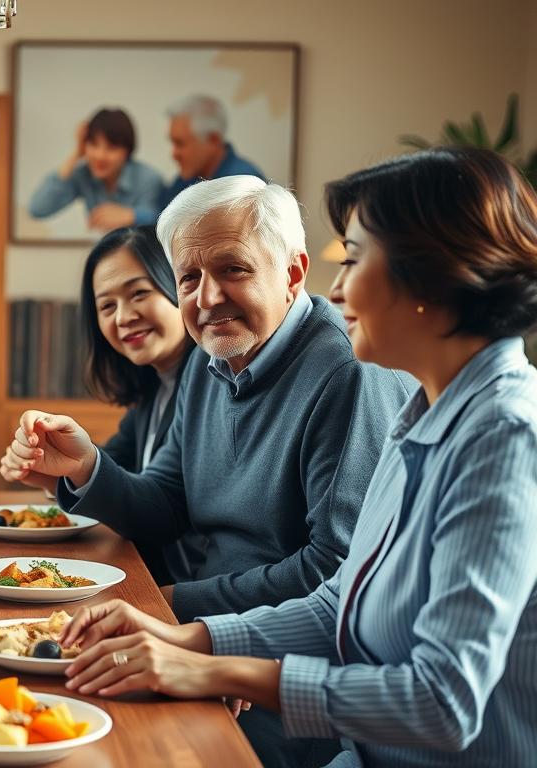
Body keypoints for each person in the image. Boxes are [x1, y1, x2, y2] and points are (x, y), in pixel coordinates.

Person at [57, 146, 537, 768]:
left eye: (355, 259)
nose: (336, 288)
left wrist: (218, 672)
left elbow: (442, 703)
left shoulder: (504, 438)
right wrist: (189, 641)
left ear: (434, 274)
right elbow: (342, 599)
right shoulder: (428, 411)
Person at [1, 175, 415, 767]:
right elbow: (168, 500)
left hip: (283, 678)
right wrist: (88, 467)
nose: (207, 297)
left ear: (294, 272)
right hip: (206, 638)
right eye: (189, 278)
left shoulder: (345, 373)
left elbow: (335, 570)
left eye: (234, 270)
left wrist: (169, 608)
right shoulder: (210, 356)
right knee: (44, 708)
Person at [7, 225, 201, 585]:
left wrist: (80, 467)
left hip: (184, 591)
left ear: (182, 285)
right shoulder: (152, 391)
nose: (123, 317)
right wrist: (54, 475)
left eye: (139, 293)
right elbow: (119, 480)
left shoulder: (208, 379)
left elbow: (158, 514)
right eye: (107, 306)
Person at [28, 107, 165, 230]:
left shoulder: (148, 178)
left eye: (111, 148)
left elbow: (165, 220)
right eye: (93, 144)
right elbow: (38, 209)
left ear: (127, 152)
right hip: (108, 254)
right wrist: (76, 154)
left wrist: (132, 215)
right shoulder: (84, 174)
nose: (100, 156)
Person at [158, 95, 265, 210]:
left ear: (213, 140)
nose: (174, 154)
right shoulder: (186, 179)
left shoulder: (243, 184)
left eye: (180, 143)